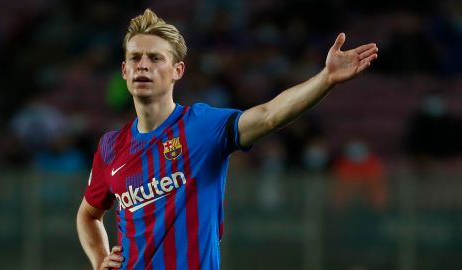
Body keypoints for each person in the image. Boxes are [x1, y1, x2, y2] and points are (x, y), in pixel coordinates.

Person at [76, 8, 378, 270]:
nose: (143, 65)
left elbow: (269, 115)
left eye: (155, 58)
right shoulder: (110, 147)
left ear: (177, 71)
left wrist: (325, 78)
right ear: (125, 70)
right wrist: (100, 258)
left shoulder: (201, 126)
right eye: (135, 58)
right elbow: (88, 215)